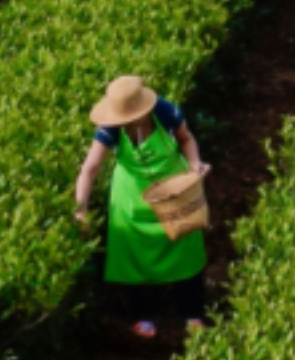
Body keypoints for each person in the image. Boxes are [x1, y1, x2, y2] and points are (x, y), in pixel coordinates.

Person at [75, 75, 210, 338]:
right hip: (132, 198)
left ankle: (191, 312)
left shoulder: (166, 112)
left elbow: (187, 139)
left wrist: (195, 165)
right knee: (135, 256)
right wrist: (81, 209)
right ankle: (143, 315)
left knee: (185, 250)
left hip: (173, 190)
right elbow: (90, 169)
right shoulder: (110, 128)